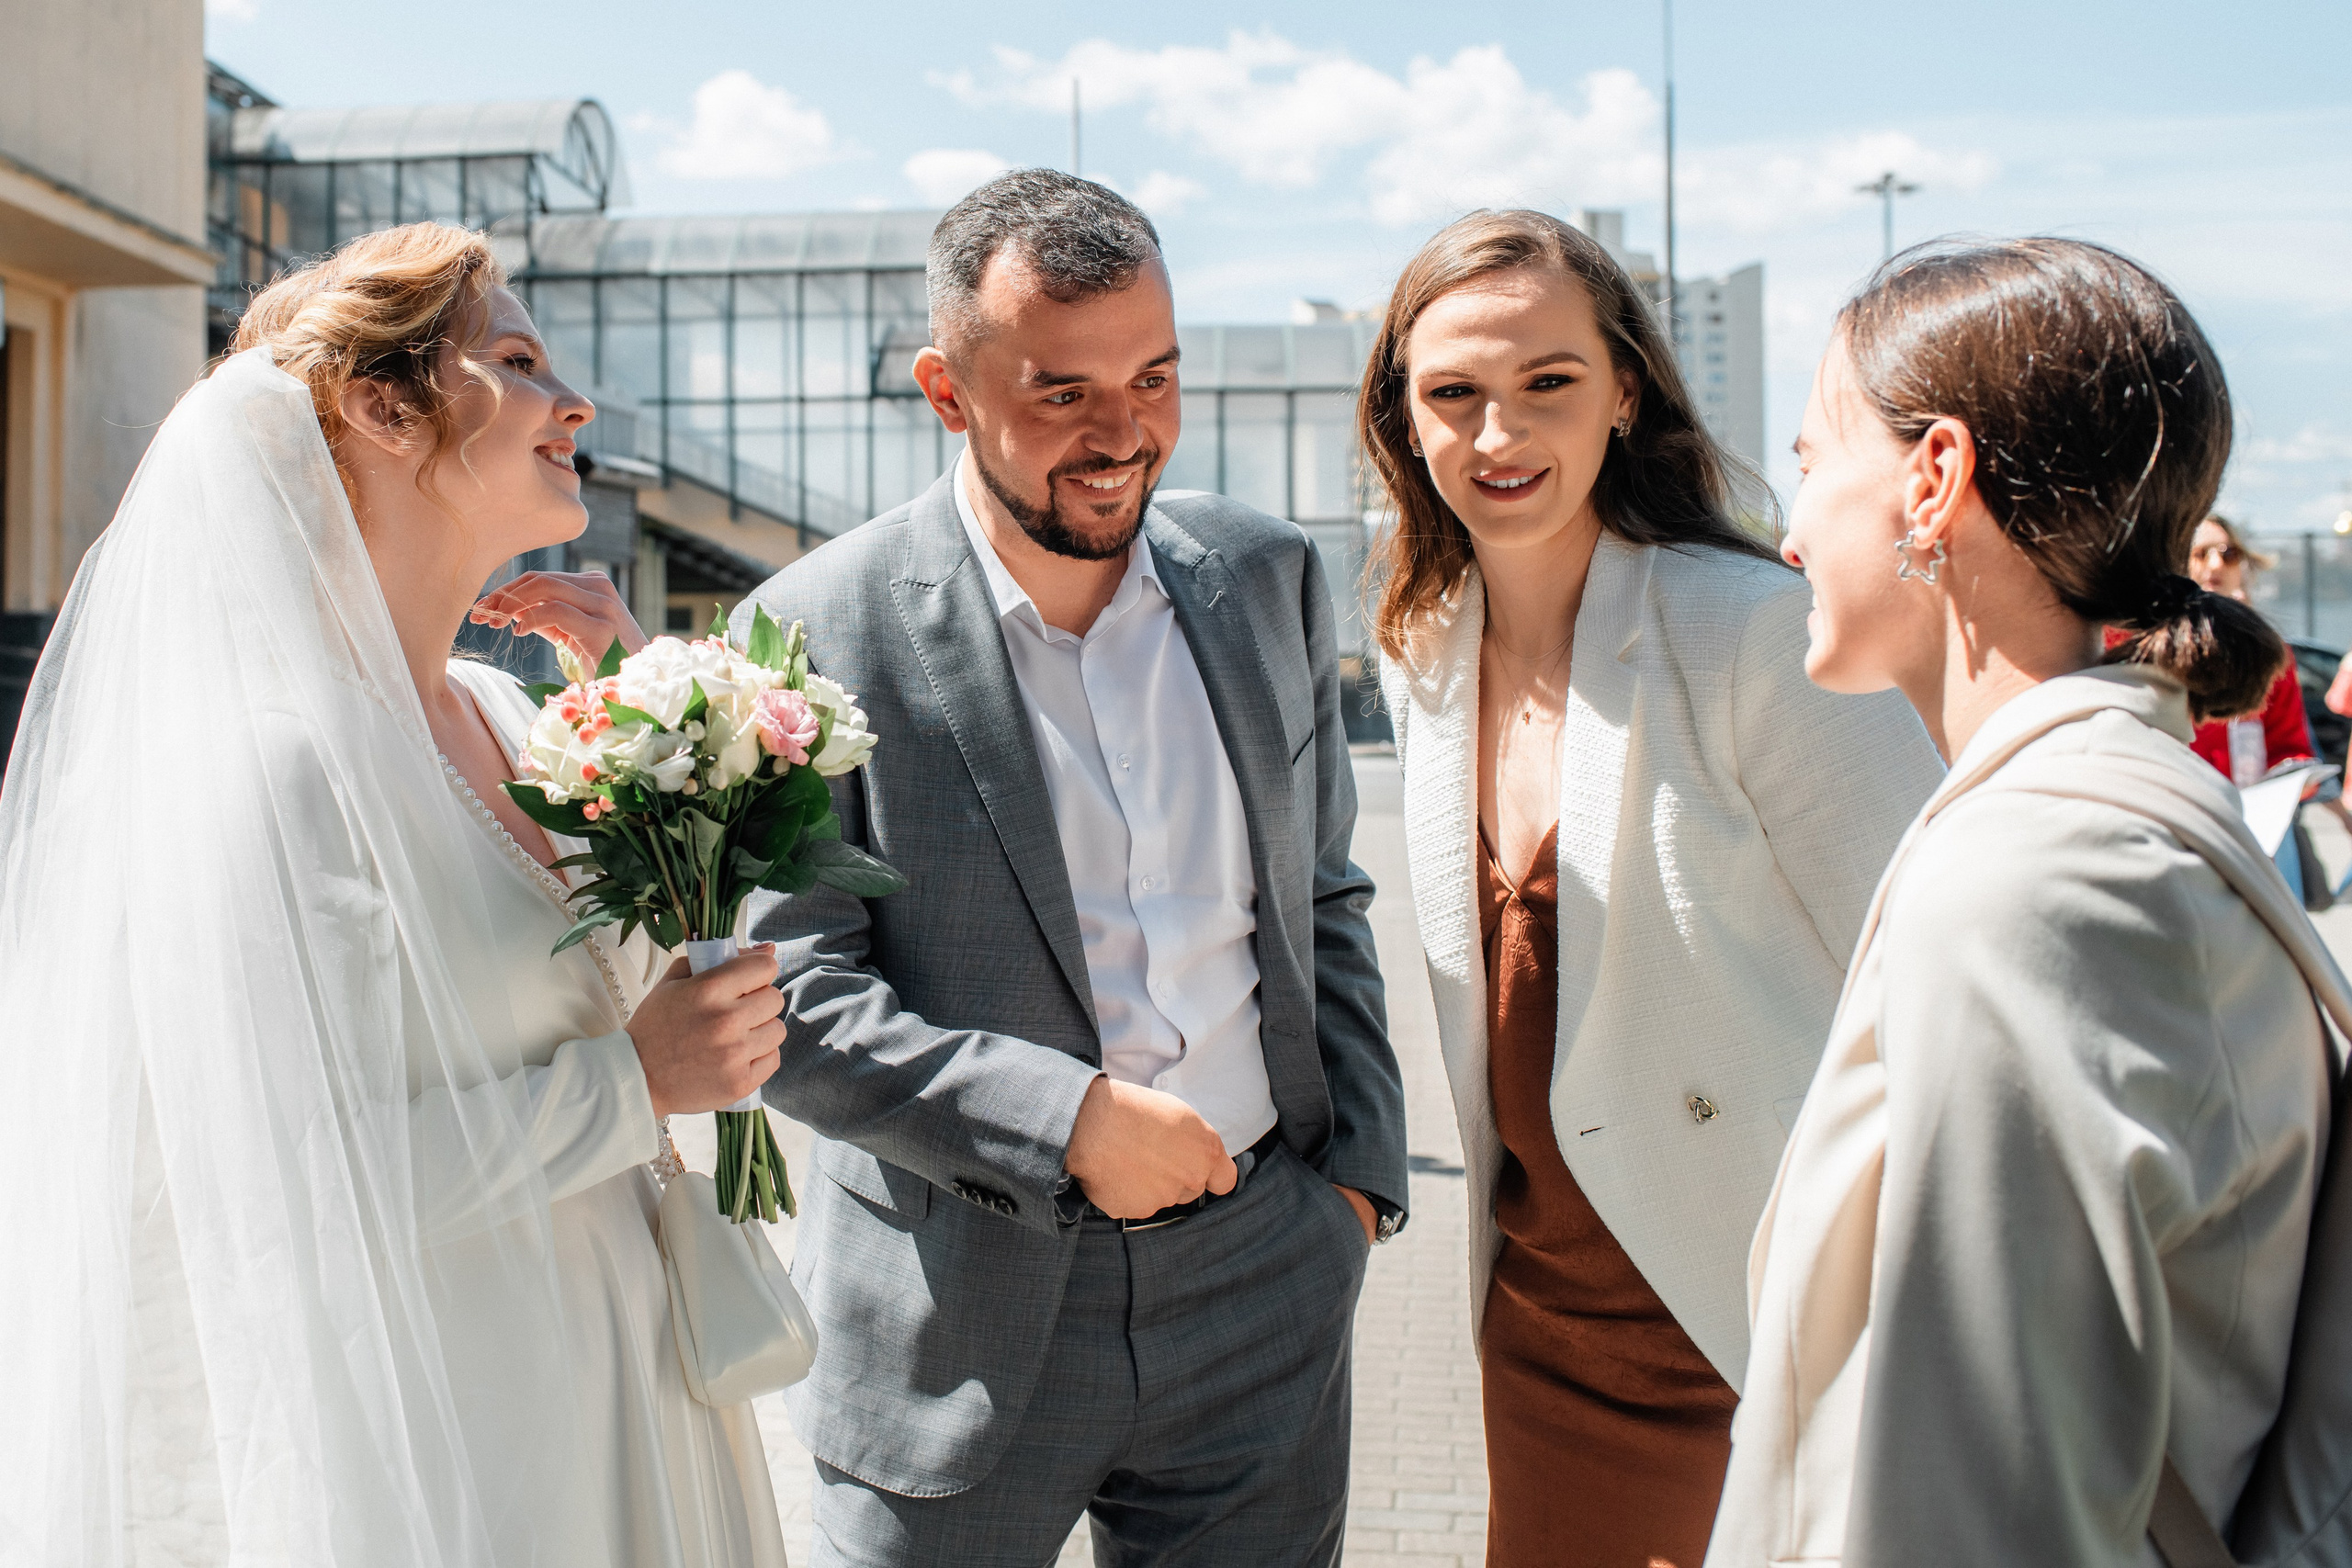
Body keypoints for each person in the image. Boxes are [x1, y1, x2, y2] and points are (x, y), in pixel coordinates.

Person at [0, 223, 793, 1566]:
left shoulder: (511, 713)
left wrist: (665, 758)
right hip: (475, 1445)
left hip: (643, 1384)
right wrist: (633, 1087)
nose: (576, 404)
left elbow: (653, 998)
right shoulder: (276, 770)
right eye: (523, 361)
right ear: (383, 406)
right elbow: (275, 1196)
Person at [735, 169, 1407, 1567]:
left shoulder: (1266, 574)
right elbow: (783, 998)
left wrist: (1352, 1190)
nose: (1123, 436)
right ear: (945, 388)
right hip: (957, 1317)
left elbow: (1327, 894)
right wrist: (1068, 1121)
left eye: (1154, 380)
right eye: (1062, 395)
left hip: (1262, 1285)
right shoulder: (808, 629)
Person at [1711, 238, 2332, 1565]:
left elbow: (1993, 1496)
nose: (1790, 527)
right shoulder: (2121, 813)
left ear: (1935, 479)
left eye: (1815, 463)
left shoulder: (2029, 883)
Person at [1366, 209, 1942, 1568]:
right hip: (1542, 1330)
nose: (1499, 437)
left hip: (1758, 1324)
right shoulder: (1420, 649)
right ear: (1403, 416)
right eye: (1454, 394)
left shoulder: (1748, 633)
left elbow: (1935, 988)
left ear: (1624, 390)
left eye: (1546, 384)